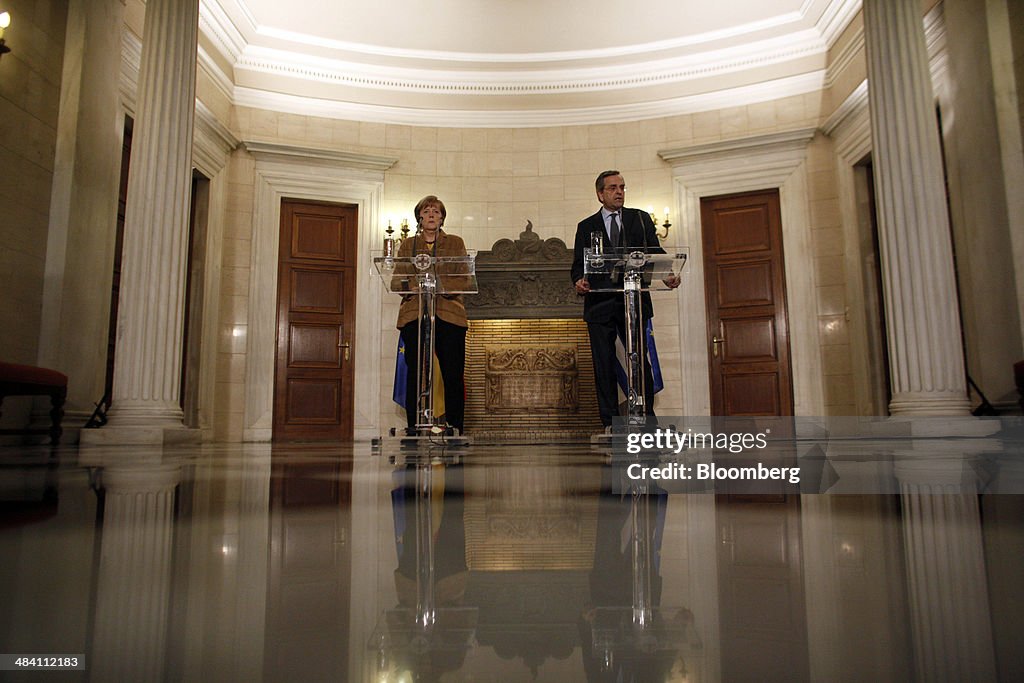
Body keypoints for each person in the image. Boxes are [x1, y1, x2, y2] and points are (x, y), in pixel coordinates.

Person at [570, 171, 679, 429]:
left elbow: (654, 250)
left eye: (622, 187)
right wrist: (579, 281)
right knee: (604, 364)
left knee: (640, 360)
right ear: (600, 194)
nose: (619, 192)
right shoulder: (586, 226)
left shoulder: (639, 219)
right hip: (600, 305)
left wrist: (668, 273)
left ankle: (647, 420)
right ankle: (609, 422)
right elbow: (577, 265)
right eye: (613, 188)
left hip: (634, 301)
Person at [396, 195, 468, 435]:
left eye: (436, 212)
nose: (431, 215)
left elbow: (465, 278)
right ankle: (414, 427)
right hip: (414, 314)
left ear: (442, 218)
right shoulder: (408, 245)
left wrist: (439, 285)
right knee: (415, 373)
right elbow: (398, 281)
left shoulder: (456, 242)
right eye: (426, 211)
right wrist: (415, 286)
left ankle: (455, 426)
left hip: (449, 315)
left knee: (452, 373)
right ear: (419, 217)